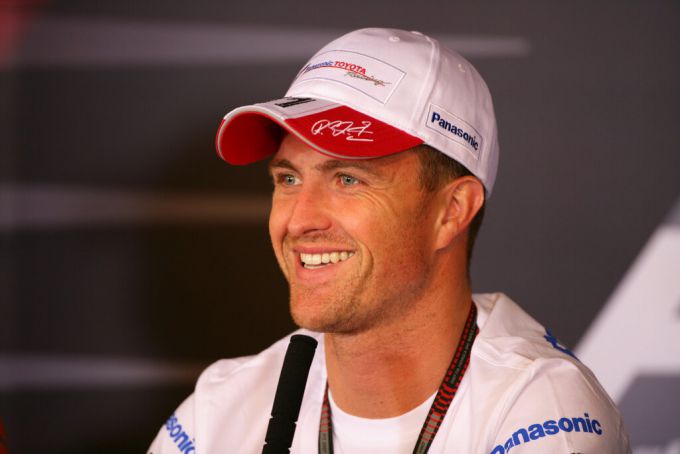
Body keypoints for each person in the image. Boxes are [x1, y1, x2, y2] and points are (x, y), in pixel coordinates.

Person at [148, 28, 630, 453]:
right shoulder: (219, 411)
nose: (299, 220)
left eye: (348, 179)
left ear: (451, 210)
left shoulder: (545, 416)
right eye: (288, 179)